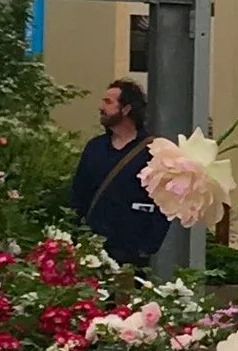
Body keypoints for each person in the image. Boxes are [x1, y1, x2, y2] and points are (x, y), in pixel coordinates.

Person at [69, 77, 170, 270]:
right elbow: (78, 195)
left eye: (108, 102)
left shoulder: (154, 152)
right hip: (93, 249)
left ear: (126, 109)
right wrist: (75, 235)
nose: (101, 107)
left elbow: (164, 202)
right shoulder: (95, 148)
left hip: (131, 252)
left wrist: (147, 247)